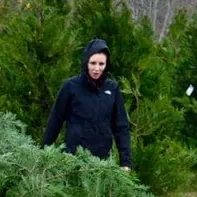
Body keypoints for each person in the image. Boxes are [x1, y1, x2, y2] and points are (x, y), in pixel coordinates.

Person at [42, 39, 131, 171]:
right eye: (93, 63)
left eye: (101, 64)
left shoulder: (112, 89)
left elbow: (121, 127)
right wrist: (43, 154)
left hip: (102, 162)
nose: (97, 68)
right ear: (86, 62)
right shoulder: (70, 87)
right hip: (72, 159)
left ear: (107, 65)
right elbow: (55, 121)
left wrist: (126, 162)